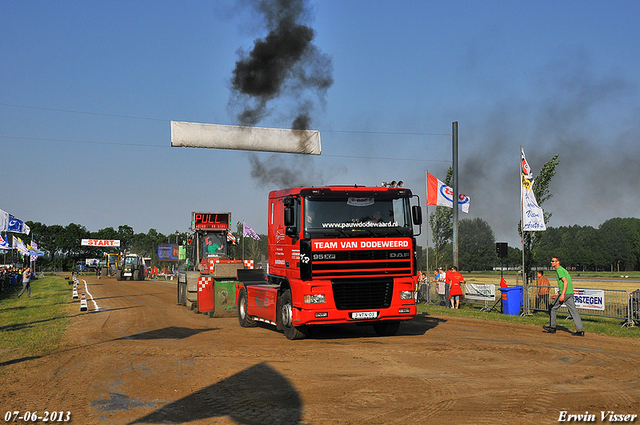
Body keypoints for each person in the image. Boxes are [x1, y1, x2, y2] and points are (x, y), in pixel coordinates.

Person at [543, 257, 585, 336]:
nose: (551, 262)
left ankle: (552, 327)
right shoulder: (563, 270)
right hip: (570, 293)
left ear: (557, 262)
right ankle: (580, 331)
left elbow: (565, 282)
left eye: (553, 261)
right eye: (551, 261)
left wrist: (562, 294)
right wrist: (558, 293)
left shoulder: (559, 269)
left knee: (552, 308)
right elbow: (564, 284)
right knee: (574, 311)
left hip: (564, 294)